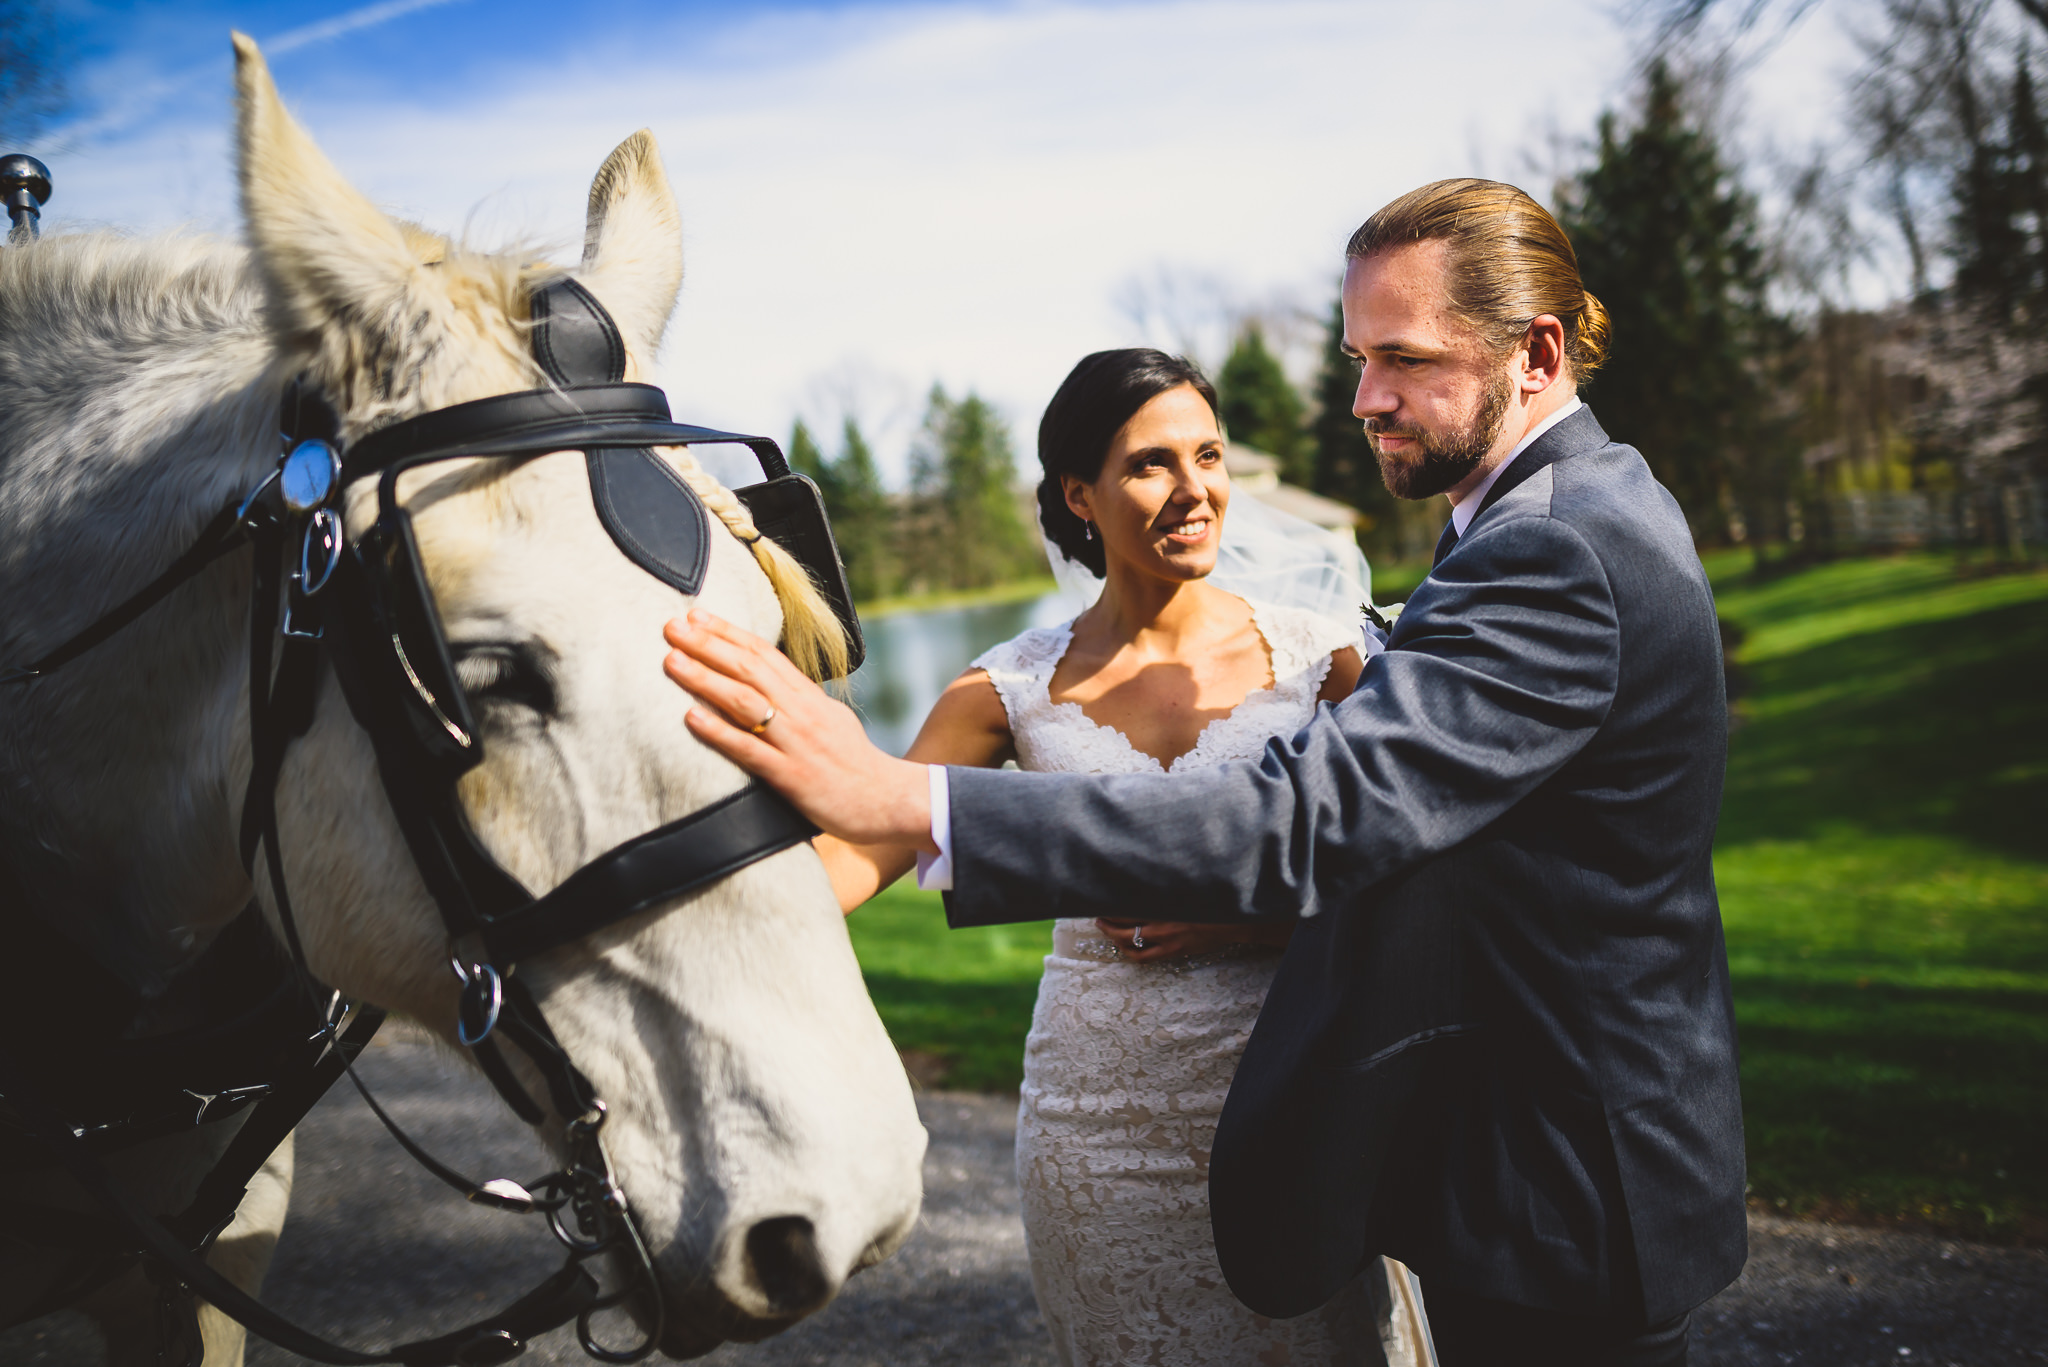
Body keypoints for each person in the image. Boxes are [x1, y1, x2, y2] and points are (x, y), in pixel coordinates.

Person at [664, 179, 1745, 1367]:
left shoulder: (1546, 546)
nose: (1362, 398)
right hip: (1379, 1148)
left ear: (1534, 352)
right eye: (1356, 356)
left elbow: (1309, 818)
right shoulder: (1541, 515)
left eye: (1402, 359)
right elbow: (1429, 838)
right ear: (1077, 497)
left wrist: (904, 796)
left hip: (1552, 1175)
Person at [811, 347, 1426, 1366]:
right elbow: (859, 846)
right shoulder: (1001, 688)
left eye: (1209, 454)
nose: (1194, 490)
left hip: (1300, 1094)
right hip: (1095, 1128)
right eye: (1150, 463)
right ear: (1077, 496)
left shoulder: (1324, 660)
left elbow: (1404, 873)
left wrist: (1246, 918)